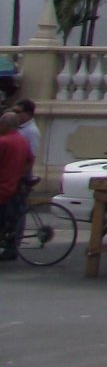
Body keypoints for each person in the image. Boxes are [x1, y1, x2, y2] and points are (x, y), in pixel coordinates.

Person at [0, 112, 31, 262]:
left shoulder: (3, 141)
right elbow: (30, 160)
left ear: (5, 125)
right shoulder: (22, 140)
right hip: (16, 185)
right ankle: (10, 248)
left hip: (4, 187)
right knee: (11, 219)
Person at [11, 99, 38, 164]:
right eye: (13, 111)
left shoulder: (31, 131)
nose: (14, 114)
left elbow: (31, 156)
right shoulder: (14, 126)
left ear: (28, 113)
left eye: (17, 112)